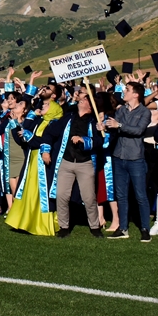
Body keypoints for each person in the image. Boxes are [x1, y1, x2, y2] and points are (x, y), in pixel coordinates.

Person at [6, 91, 63, 236]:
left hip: (43, 163)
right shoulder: (40, 121)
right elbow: (23, 136)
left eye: (47, 105)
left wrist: (29, 137)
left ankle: (42, 224)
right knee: (28, 192)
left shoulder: (54, 124)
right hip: (32, 161)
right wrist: (23, 120)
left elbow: (44, 141)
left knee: (41, 193)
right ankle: (26, 221)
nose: (44, 105)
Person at [104, 82, 153, 242]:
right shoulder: (121, 110)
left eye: (127, 90)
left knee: (140, 195)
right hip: (119, 157)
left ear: (136, 94)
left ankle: (145, 228)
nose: (124, 92)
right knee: (121, 195)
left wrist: (120, 125)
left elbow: (138, 130)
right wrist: (104, 126)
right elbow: (114, 127)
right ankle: (123, 228)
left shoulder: (145, 112)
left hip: (135, 158)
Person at [52, 88, 103, 238]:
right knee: (61, 195)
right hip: (66, 161)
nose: (82, 99)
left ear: (90, 105)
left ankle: (95, 226)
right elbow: (53, 131)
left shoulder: (94, 122)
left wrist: (83, 140)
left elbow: (99, 142)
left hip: (84, 163)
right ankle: (64, 227)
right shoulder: (69, 117)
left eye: (86, 99)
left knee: (88, 198)